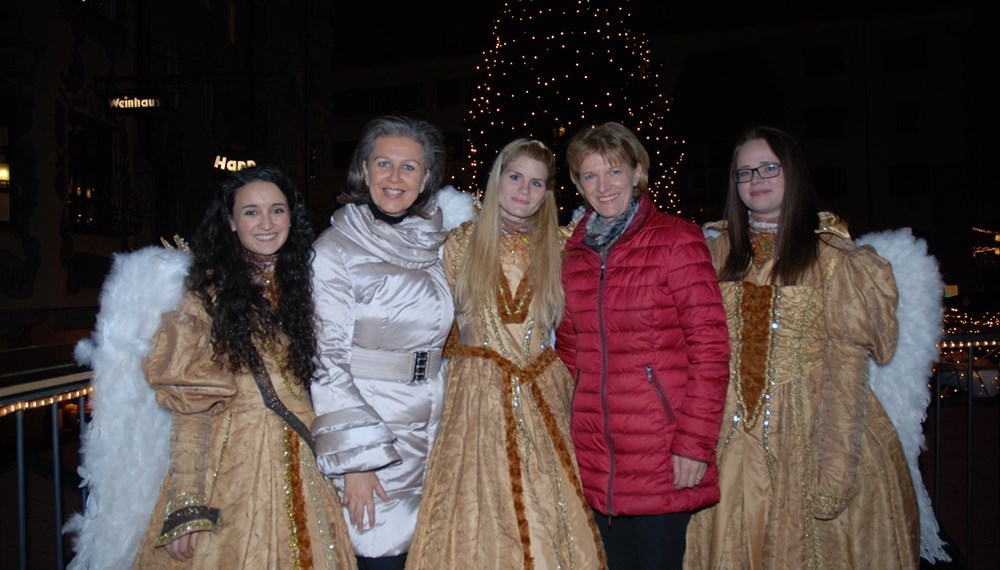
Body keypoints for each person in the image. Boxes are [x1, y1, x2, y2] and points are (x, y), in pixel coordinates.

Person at [683, 126, 920, 568]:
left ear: (792, 173)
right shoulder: (713, 254)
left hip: (814, 431)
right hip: (726, 438)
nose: (756, 179)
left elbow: (846, 367)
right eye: (744, 172)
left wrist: (835, 471)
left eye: (769, 167)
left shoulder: (832, 259)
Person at [125, 166, 357, 568]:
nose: (266, 223)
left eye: (277, 210)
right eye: (251, 212)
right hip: (231, 471)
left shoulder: (312, 285)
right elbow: (192, 411)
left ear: (292, 217)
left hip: (309, 468)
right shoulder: (207, 297)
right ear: (231, 221)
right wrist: (187, 501)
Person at [407, 139, 606, 569]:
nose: (524, 190)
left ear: (548, 193)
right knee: (479, 506)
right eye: (515, 177)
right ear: (497, 178)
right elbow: (431, 319)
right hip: (476, 399)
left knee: (548, 505)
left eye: (536, 183)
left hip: (543, 391)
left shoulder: (560, 245)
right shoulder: (458, 243)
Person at [556, 122, 730, 569]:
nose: (603, 186)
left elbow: (710, 348)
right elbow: (568, 354)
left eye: (613, 171)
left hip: (661, 451)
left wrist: (694, 444)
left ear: (637, 172)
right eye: (589, 176)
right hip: (595, 454)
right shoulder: (571, 256)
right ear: (578, 183)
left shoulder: (677, 239)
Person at [310, 116, 459, 570]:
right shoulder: (335, 249)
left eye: (409, 167)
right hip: (376, 439)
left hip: (438, 432)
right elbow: (326, 361)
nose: (395, 178)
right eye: (384, 164)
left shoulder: (438, 244)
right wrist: (357, 462)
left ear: (427, 177)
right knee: (381, 557)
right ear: (363, 169)